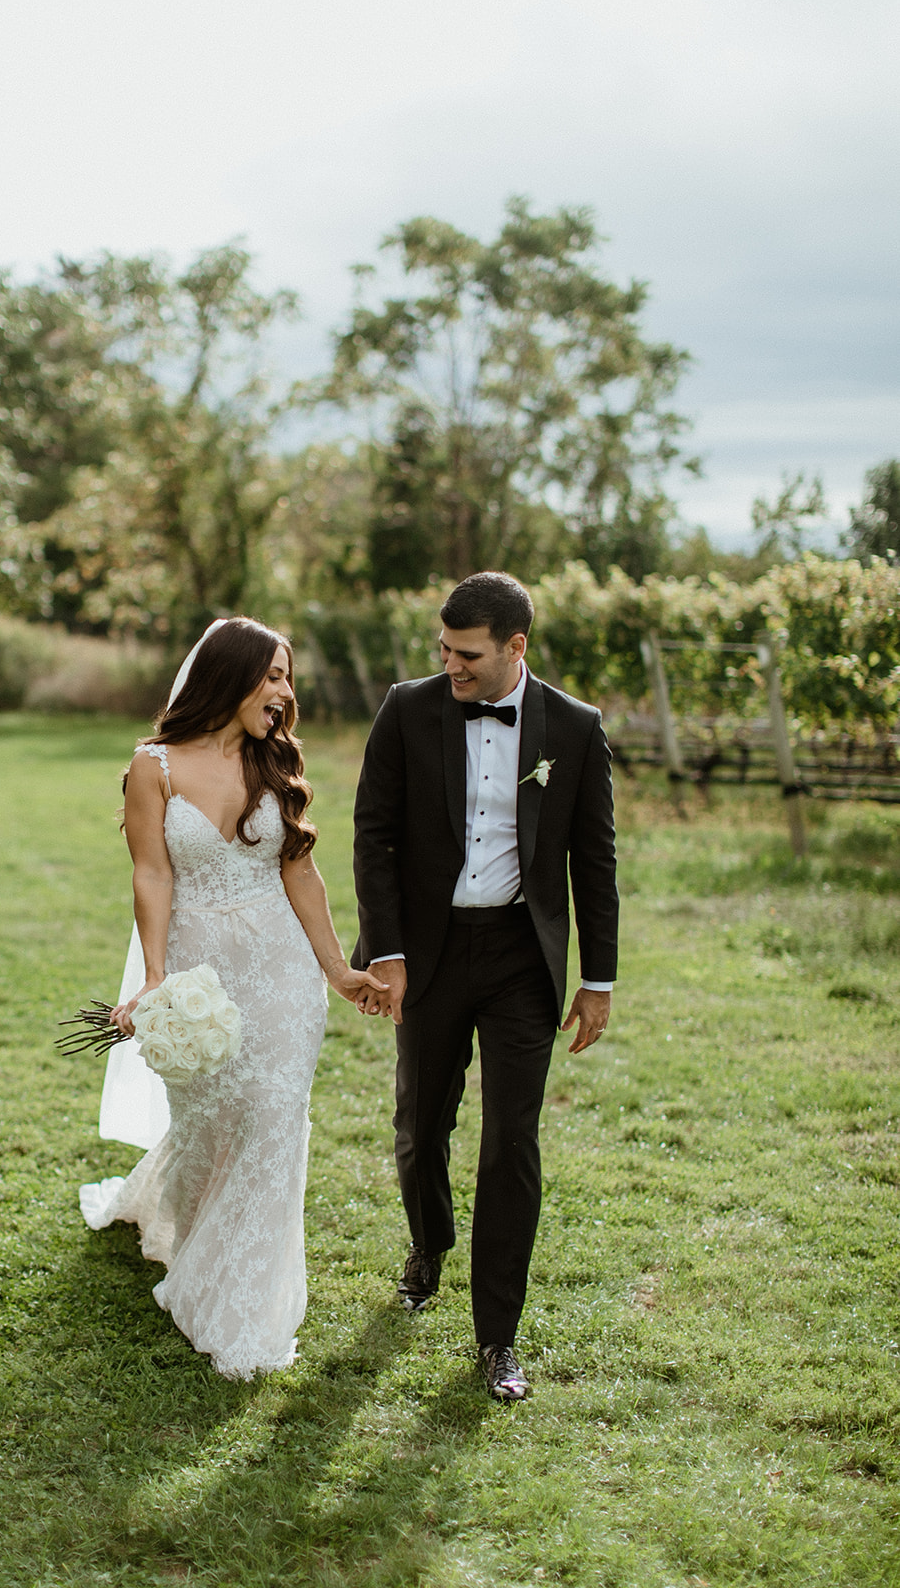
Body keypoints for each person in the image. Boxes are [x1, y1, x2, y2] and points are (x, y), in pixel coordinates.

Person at [80, 618, 383, 1380]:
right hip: (197, 971)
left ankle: (242, 1302)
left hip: (280, 968)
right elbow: (152, 874)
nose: (285, 693)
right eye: (273, 675)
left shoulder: (275, 762)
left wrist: (336, 970)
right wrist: (155, 980)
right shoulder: (154, 765)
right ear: (229, 675)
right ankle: (188, 1229)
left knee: (275, 1116)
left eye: (287, 677)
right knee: (212, 1116)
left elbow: (299, 873)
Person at [351, 572, 618, 1401]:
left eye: (467, 654)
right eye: (444, 650)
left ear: (516, 648)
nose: (451, 666)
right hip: (426, 954)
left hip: (519, 958)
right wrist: (384, 952)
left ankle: (497, 1338)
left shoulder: (574, 729)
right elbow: (373, 836)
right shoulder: (407, 708)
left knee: (511, 1141)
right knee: (420, 1118)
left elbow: (594, 857)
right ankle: (427, 1245)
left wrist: (597, 978)